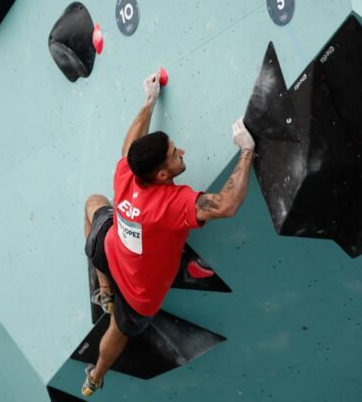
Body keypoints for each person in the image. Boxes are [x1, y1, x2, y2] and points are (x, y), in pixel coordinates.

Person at [82, 70, 256, 396]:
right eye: (176, 155)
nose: (182, 153)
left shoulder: (128, 174)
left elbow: (130, 144)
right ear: (163, 174)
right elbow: (227, 204)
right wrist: (246, 150)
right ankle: (96, 376)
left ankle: (104, 286)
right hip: (138, 294)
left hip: (107, 247)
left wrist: (149, 102)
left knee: (93, 204)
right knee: (117, 332)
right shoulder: (173, 205)